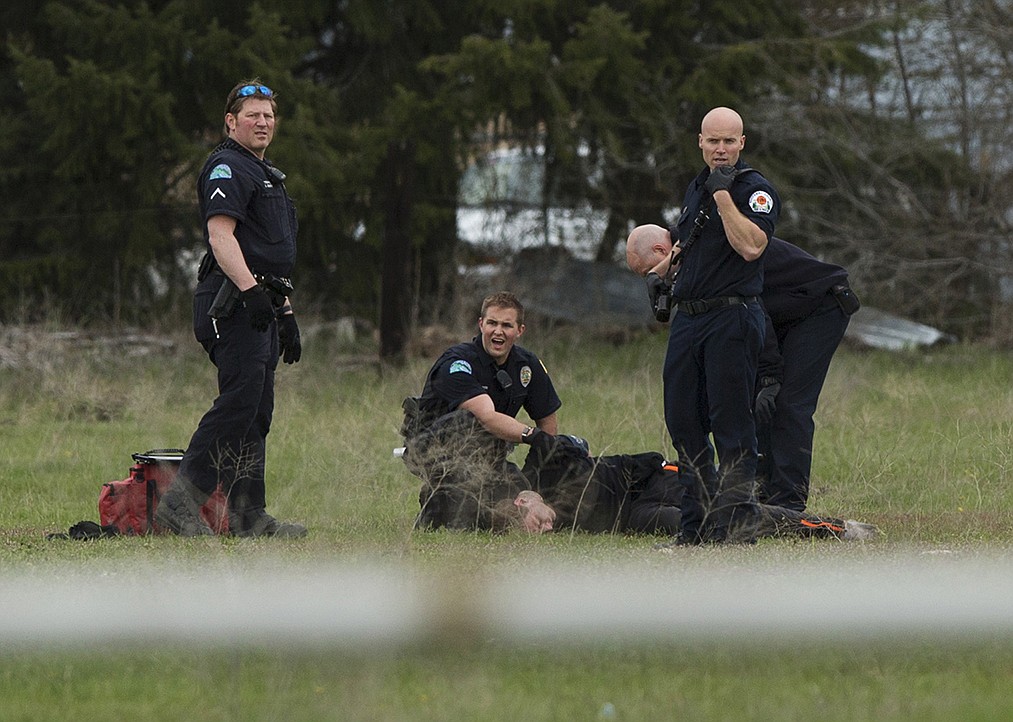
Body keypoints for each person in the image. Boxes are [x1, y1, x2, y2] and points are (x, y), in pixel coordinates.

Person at [155, 80, 306, 538]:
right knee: (238, 403)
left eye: (268, 116)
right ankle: (180, 504)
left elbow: (268, 255)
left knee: (257, 409)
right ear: (231, 121)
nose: (262, 122)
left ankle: (247, 516)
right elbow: (222, 238)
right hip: (229, 304)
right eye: (252, 115)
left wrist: (284, 312)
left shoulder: (266, 173)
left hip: (259, 303)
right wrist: (250, 292)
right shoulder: (227, 167)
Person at [627, 225, 861, 511]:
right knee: (755, 399)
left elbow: (750, 307)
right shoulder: (689, 255)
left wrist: (769, 375)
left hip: (819, 304)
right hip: (781, 312)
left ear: (662, 252)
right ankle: (762, 492)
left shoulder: (707, 248)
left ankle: (788, 505)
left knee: (788, 404)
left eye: (649, 272)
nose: (653, 282)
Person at [631, 107, 779, 545]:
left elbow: (752, 247)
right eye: (713, 141)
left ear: (742, 143)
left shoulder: (754, 190)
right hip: (690, 319)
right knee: (684, 423)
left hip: (732, 317)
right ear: (700, 142)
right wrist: (664, 273)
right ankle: (693, 532)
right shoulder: (695, 187)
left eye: (728, 142)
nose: (720, 150)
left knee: (732, 427)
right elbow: (691, 244)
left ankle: (736, 530)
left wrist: (722, 197)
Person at [506, 434, 878, 541]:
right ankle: (816, 527)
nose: (546, 528)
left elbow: (573, 443)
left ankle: (836, 528)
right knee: (710, 524)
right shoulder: (556, 527)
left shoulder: (546, 469)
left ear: (526, 500)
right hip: (636, 516)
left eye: (537, 522)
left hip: (653, 476)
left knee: (726, 503)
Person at [401, 291, 564, 531]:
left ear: (519, 331)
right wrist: (532, 436)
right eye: (492, 323)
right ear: (481, 325)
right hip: (431, 451)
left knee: (519, 493)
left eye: (507, 325)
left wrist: (542, 469)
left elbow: (547, 427)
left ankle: (477, 512)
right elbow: (486, 418)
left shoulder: (526, 365)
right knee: (468, 421)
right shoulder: (457, 363)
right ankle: (437, 503)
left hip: (490, 458)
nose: (498, 331)